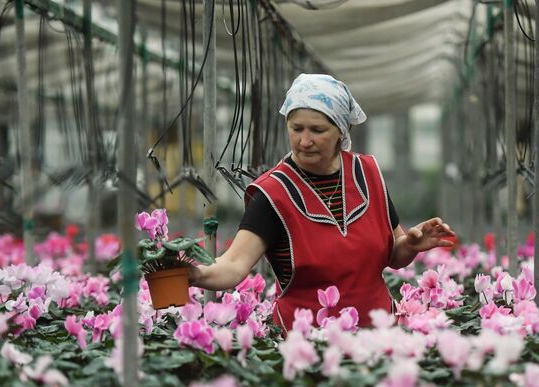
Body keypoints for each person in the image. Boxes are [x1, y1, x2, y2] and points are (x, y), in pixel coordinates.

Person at [189, 73, 454, 331]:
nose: (304, 141)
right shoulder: (273, 193)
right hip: (306, 345)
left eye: (317, 130)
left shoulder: (368, 173)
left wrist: (410, 244)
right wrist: (194, 275)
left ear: (341, 130)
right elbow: (234, 264)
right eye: (296, 128)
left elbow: (393, 254)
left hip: (379, 337)